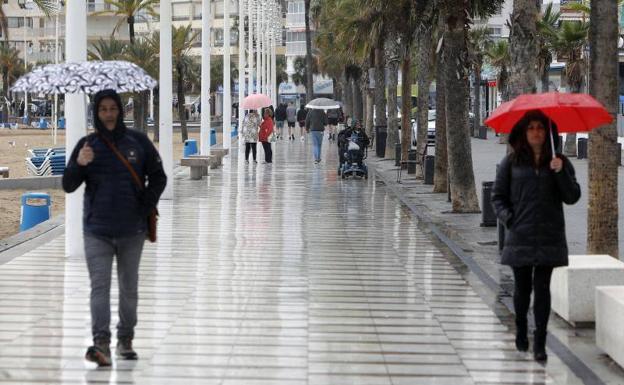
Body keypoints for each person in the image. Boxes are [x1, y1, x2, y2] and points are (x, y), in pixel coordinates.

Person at [62, 89, 167, 367]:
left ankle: (125, 340)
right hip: (97, 231)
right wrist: (78, 164)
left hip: (132, 231)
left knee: (129, 288)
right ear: (96, 113)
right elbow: (68, 185)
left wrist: (146, 203)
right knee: (99, 288)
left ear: (120, 111)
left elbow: (159, 177)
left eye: (112, 108)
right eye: (103, 109)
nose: (108, 114)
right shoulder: (87, 145)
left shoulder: (139, 142)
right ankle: (101, 343)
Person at [491, 110, 580, 363]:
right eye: (531, 128)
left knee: (542, 290)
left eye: (540, 127)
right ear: (523, 131)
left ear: (548, 132)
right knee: (522, 290)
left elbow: (572, 197)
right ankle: (521, 328)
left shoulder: (559, 161)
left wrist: (560, 172)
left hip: (549, 236)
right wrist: (510, 219)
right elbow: (497, 197)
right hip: (520, 236)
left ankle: (540, 341)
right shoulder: (512, 162)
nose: (536, 132)